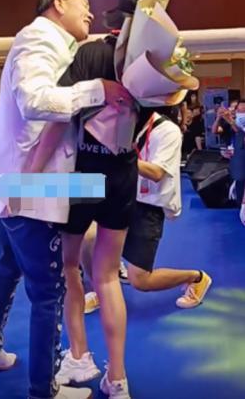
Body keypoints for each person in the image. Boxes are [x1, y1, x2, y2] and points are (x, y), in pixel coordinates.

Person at [0, 0, 132, 399]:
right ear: (58, 4)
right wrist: (98, 89)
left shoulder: (61, 45)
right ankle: (42, 389)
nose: (91, 13)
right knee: (49, 291)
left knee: (7, 265)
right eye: (84, 5)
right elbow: (35, 101)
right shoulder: (38, 38)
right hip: (29, 186)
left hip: (17, 182)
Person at [53, 0, 166, 399]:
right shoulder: (156, 66)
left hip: (83, 170)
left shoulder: (91, 54)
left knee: (69, 267)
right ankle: (117, 378)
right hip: (123, 174)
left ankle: (79, 355)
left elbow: (59, 104)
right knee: (107, 276)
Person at [81, 105, 212, 312]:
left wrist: (120, 158)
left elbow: (156, 173)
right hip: (121, 194)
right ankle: (101, 290)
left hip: (148, 206)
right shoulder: (124, 125)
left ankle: (196, 278)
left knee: (141, 280)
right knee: (87, 237)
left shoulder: (168, 131)